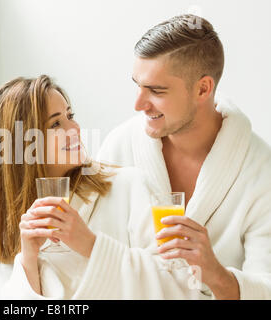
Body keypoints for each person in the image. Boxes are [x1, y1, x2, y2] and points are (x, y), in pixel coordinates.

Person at [0, 75, 210, 300]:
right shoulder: (14, 225)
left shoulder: (130, 186)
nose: (74, 128)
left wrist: (91, 245)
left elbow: (179, 287)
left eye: (70, 115)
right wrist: (28, 258)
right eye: (56, 123)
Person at [98, 14, 271, 299]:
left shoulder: (260, 170)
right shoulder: (119, 147)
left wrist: (214, 272)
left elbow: (266, 287)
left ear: (203, 89)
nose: (138, 104)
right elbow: (93, 264)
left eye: (156, 90)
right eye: (137, 85)